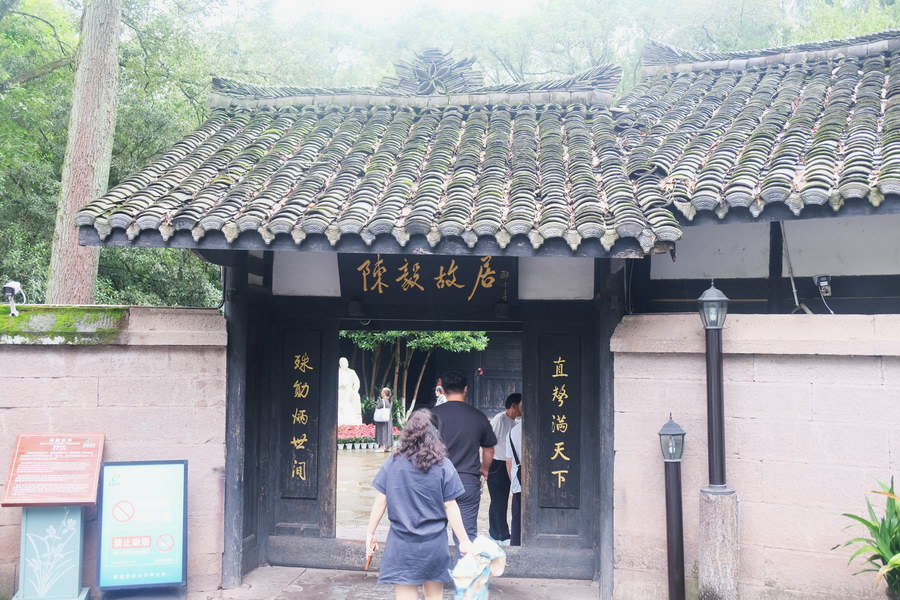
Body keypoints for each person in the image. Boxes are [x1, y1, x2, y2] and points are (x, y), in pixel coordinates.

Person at [366, 409, 471, 600]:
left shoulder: (393, 462)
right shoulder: (443, 464)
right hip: (433, 545)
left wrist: (370, 533)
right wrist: (464, 541)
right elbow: (450, 506)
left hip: (401, 544)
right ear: (435, 433)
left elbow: (381, 500)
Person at [431, 371, 497, 548]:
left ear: (443, 390)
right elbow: (489, 449)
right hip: (467, 481)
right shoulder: (478, 416)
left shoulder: (432, 415)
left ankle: (437, 566)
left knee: (432, 533)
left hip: (436, 481)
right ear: (466, 389)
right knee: (466, 537)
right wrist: (484, 469)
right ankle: (465, 565)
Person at [486, 393, 521, 543]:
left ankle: (494, 532)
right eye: (521, 405)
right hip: (496, 463)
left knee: (498, 500)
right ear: (513, 406)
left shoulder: (514, 422)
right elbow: (487, 441)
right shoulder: (499, 420)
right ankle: (503, 534)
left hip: (506, 463)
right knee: (499, 500)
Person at [505, 420, 522, 546]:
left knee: (517, 516)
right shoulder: (542, 426)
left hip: (518, 479)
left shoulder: (512, 432)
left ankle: (516, 544)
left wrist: (512, 481)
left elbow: (509, 461)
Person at [374, 387, 393, 452]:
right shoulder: (390, 401)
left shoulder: (382, 401)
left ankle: (381, 447)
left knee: (382, 431)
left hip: (382, 419)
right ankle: (388, 447)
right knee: (388, 431)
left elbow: (377, 407)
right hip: (388, 419)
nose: (381, 393)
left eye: (382, 392)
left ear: (384, 393)